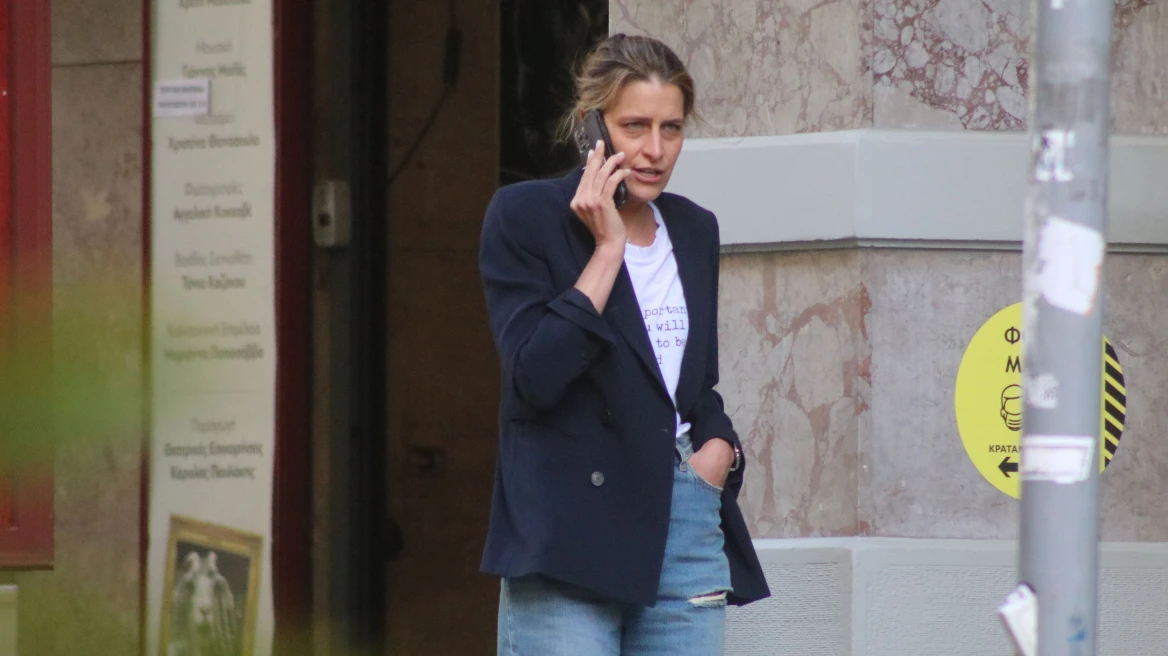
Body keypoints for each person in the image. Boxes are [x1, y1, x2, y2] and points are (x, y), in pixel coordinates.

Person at [478, 33, 770, 656]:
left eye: (672, 128)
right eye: (634, 126)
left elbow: (692, 383)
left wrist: (718, 449)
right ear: (592, 126)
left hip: (684, 515)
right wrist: (607, 249)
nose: (654, 150)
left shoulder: (693, 228)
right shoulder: (525, 216)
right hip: (567, 529)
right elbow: (535, 376)